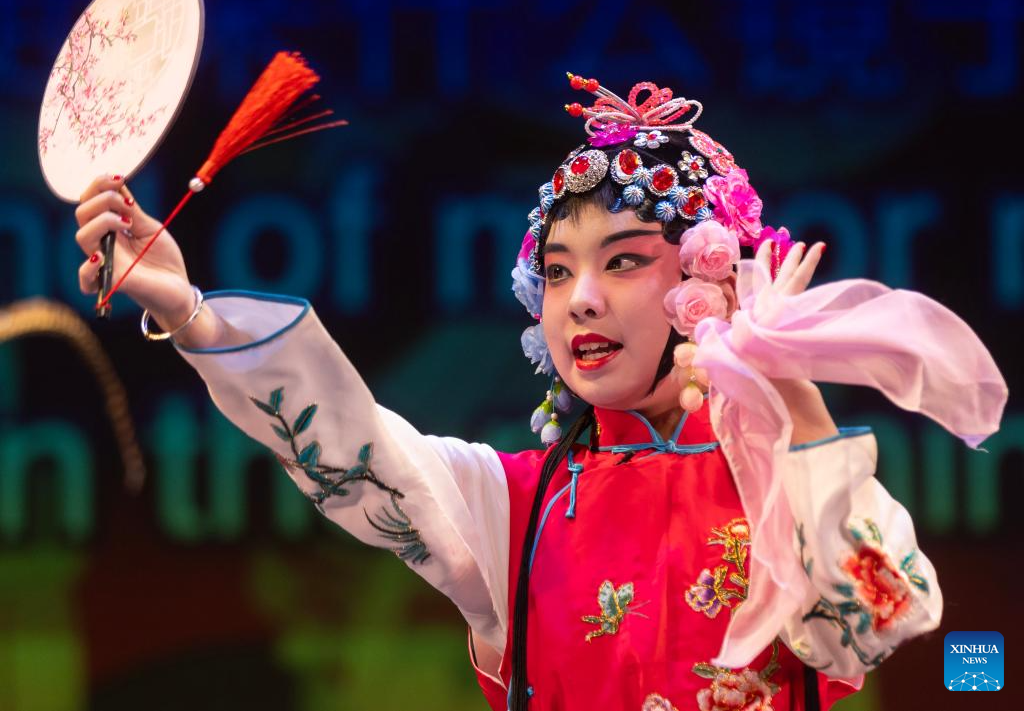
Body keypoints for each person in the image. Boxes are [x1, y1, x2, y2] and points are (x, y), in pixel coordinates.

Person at [72, 76, 1005, 711]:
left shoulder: (786, 491)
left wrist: (790, 394)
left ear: (714, 281)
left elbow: (885, 614)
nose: (581, 298)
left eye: (623, 261)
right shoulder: (516, 508)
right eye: (557, 272)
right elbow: (351, 449)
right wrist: (191, 312)